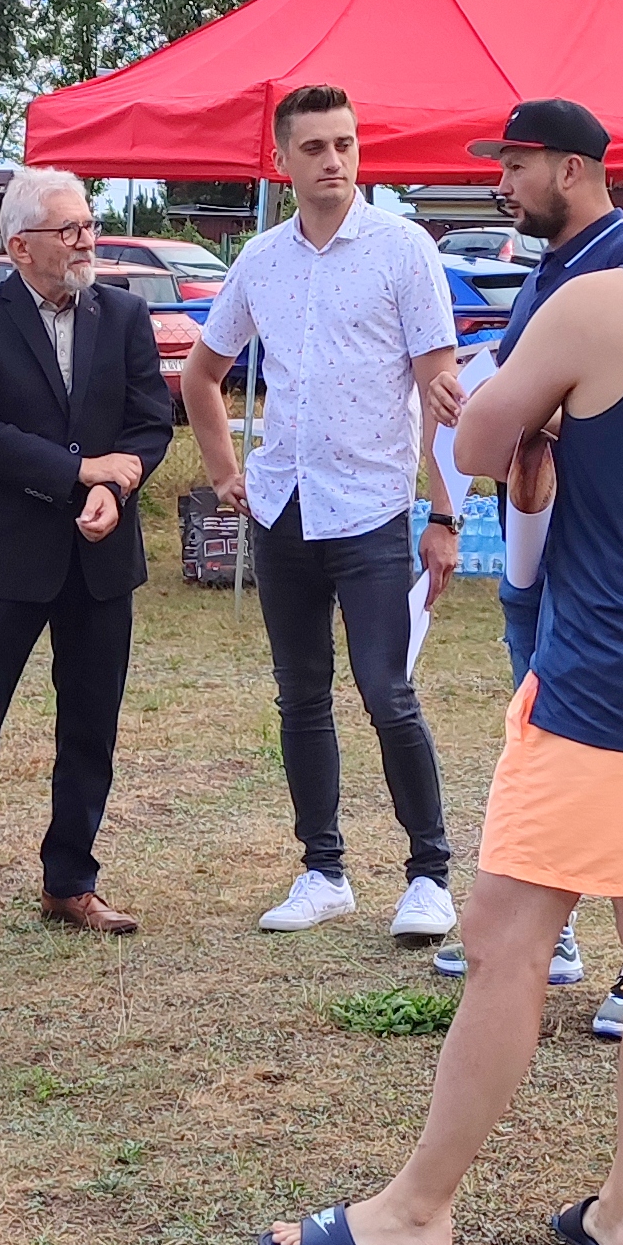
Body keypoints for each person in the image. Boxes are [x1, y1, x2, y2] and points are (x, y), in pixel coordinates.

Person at [259, 69, 623, 1245]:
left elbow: (472, 440)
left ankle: (416, 1210)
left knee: (507, 939)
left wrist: (536, 411)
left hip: (606, 681)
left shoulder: (607, 301)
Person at [180, 84, 465, 941]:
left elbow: (442, 391)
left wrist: (443, 513)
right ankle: (323, 869)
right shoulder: (261, 258)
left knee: (387, 691)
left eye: (344, 143)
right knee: (300, 695)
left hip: (373, 507)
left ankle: (430, 874)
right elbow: (201, 373)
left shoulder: (403, 249)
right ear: (282, 162)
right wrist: (225, 472)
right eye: (314, 147)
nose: (334, 160)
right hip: (283, 507)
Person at [430, 99, 623, 1024]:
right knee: (543, 744)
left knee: (621, 762)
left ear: (572, 169)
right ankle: (549, 928)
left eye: (515, 165)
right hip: (537, 543)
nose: (501, 183)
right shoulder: (550, 271)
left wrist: (526, 410)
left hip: (605, 558)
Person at [0, 166, 176, 943]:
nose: (86, 241)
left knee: (91, 725)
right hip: (9, 556)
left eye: (89, 225)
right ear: (20, 246)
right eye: (70, 230)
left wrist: (118, 484)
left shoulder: (124, 315)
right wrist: (78, 471)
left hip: (101, 555)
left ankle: (70, 880)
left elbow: (149, 423)